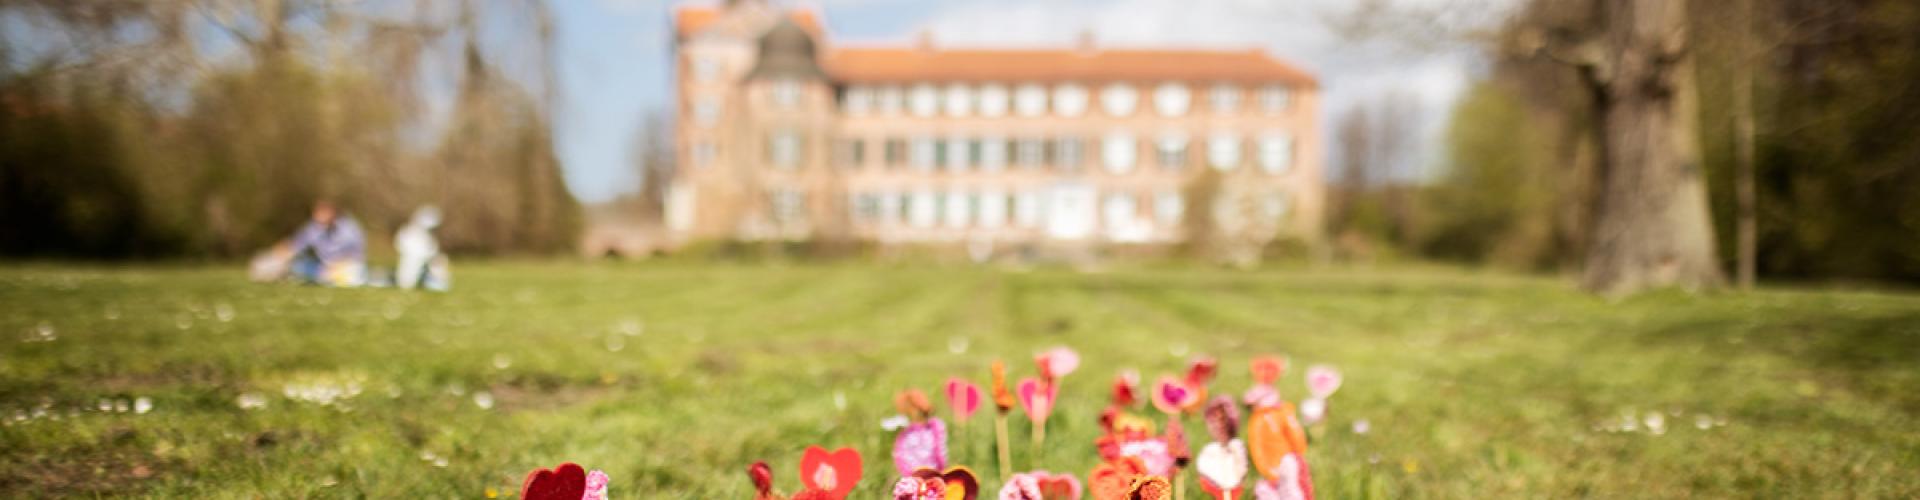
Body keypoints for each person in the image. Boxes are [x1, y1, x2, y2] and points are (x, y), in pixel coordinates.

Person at [286, 200, 367, 286]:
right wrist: (273, 262)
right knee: (298, 266)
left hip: (345, 266)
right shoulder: (314, 228)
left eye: (323, 214)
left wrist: (335, 267)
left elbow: (356, 255)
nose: (319, 217)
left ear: (332, 213)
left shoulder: (348, 229)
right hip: (324, 267)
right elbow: (295, 245)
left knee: (352, 275)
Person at [393, 205, 450, 291]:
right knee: (406, 281)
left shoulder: (428, 237)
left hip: (424, 266)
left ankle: (432, 281)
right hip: (412, 265)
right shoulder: (409, 234)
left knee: (439, 262)